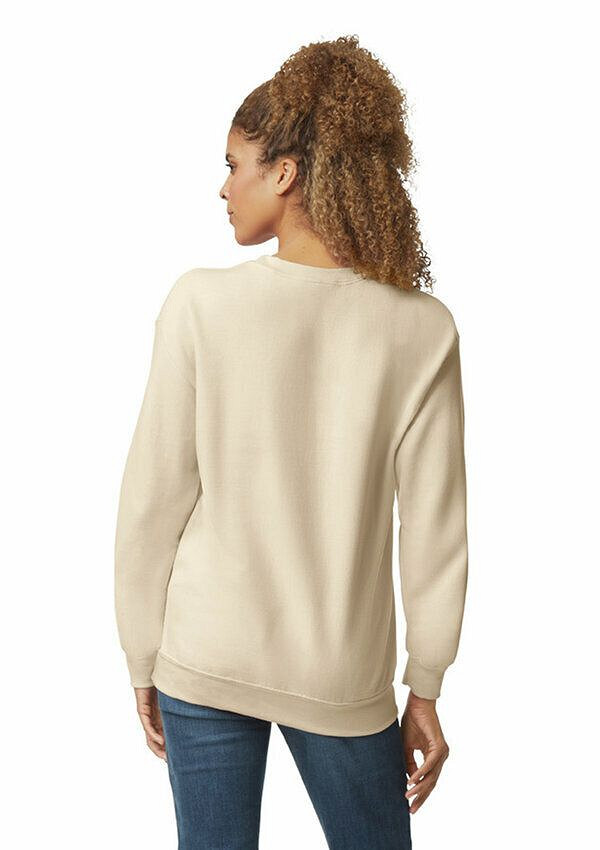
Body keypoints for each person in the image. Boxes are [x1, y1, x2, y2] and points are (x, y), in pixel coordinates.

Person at [114, 34, 468, 849]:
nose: (223, 187)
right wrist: (424, 684)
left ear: (286, 173)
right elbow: (436, 530)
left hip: (204, 655)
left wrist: (142, 654)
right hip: (339, 672)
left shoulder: (200, 304)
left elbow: (152, 502)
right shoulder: (421, 329)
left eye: (234, 164)